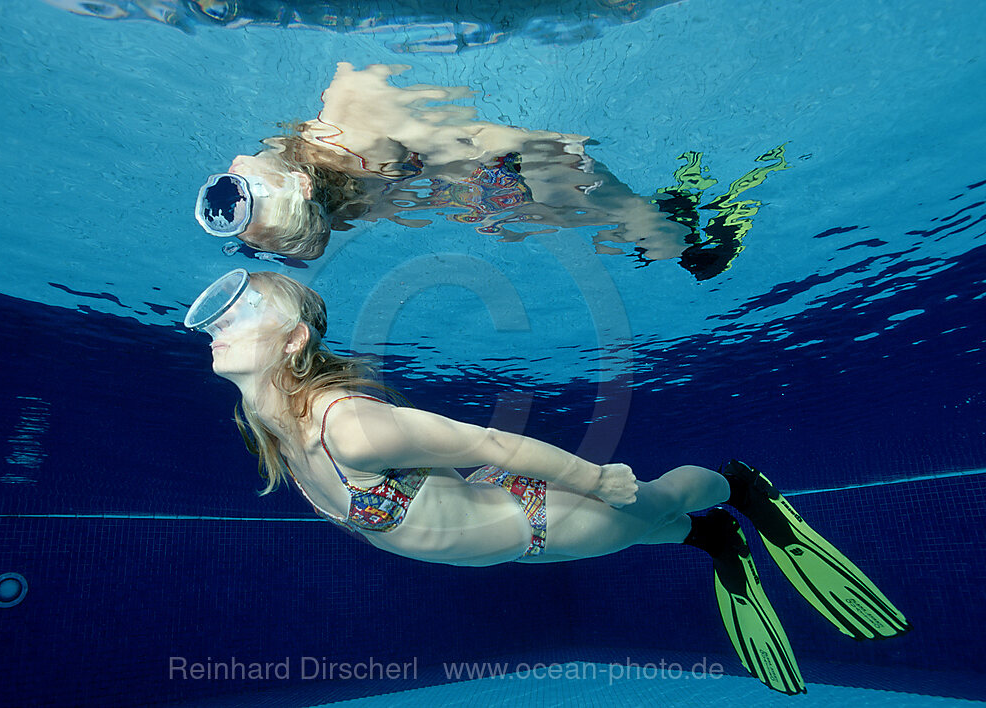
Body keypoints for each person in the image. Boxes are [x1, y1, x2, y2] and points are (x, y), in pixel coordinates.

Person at [183, 267, 910, 694]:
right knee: (641, 533)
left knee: (653, 500)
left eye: (250, 310)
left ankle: (735, 488)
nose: (224, 319)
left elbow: (490, 439)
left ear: (294, 339)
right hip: (510, 538)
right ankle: (708, 536)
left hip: (538, 521)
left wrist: (597, 479)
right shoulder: (267, 419)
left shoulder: (349, 427)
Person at [194, 63, 789, 280]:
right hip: (511, 164)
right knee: (661, 240)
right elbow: (467, 136)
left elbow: (404, 192)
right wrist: (547, 148)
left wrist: (468, 197)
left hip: (483, 185)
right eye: (234, 186)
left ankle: (681, 219)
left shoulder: (336, 205)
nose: (231, 172)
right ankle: (716, 225)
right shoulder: (346, 110)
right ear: (296, 182)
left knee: (637, 233)